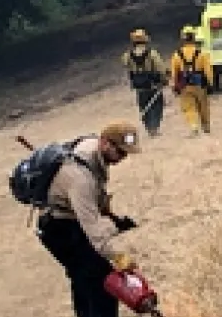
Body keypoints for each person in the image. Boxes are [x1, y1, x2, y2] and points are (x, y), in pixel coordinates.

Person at [37, 121, 144, 317]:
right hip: (59, 229)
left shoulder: (92, 148)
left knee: (84, 280)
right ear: (104, 143)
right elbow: (95, 233)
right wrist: (120, 258)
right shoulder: (80, 179)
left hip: (68, 220)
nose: (123, 157)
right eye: (120, 152)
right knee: (104, 284)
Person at [169, 25, 214, 136]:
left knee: (188, 107)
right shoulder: (202, 53)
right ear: (194, 37)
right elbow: (208, 70)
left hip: (185, 86)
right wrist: (210, 83)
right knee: (203, 106)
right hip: (200, 85)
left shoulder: (176, 55)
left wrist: (175, 85)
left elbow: (174, 73)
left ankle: (193, 126)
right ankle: (206, 126)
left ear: (183, 38)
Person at [119, 30, 166, 136]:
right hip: (153, 84)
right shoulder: (152, 53)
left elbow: (125, 65)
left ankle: (149, 127)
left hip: (139, 85)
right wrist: (163, 78)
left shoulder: (128, 55)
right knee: (156, 106)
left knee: (143, 106)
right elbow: (160, 67)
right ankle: (154, 127)